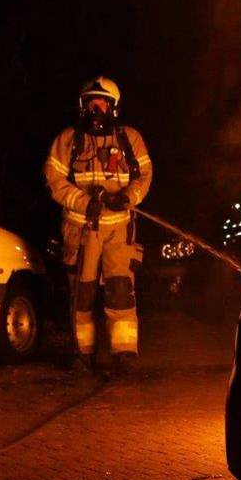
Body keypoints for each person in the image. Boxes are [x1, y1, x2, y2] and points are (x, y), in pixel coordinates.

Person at [44, 77, 152, 374]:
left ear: (113, 107)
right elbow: (54, 181)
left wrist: (127, 197)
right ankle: (83, 354)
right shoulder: (68, 140)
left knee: (120, 291)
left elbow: (144, 176)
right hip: (81, 230)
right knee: (83, 294)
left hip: (119, 230)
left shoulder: (130, 139)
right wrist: (83, 201)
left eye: (102, 102)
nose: (96, 107)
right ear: (82, 105)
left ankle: (124, 354)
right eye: (90, 101)